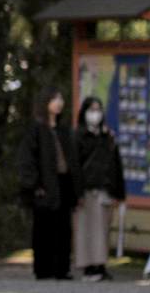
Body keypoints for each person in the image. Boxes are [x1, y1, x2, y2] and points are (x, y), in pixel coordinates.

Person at [17, 87, 77, 281]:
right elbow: (27, 159)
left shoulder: (64, 129)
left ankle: (62, 268)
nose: (58, 103)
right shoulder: (36, 129)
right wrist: (34, 184)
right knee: (43, 228)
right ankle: (43, 268)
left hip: (63, 182)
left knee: (63, 227)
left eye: (60, 98)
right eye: (54, 99)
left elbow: (72, 160)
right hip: (44, 185)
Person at [73, 96, 126, 281]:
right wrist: (77, 192)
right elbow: (75, 167)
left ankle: (101, 264)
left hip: (106, 189)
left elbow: (116, 165)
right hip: (87, 189)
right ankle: (88, 266)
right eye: (91, 110)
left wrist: (120, 192)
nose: (95, 114)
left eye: (98, 110)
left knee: (103, 229)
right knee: (87, 229)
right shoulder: (78, 136)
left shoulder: (108, 137)